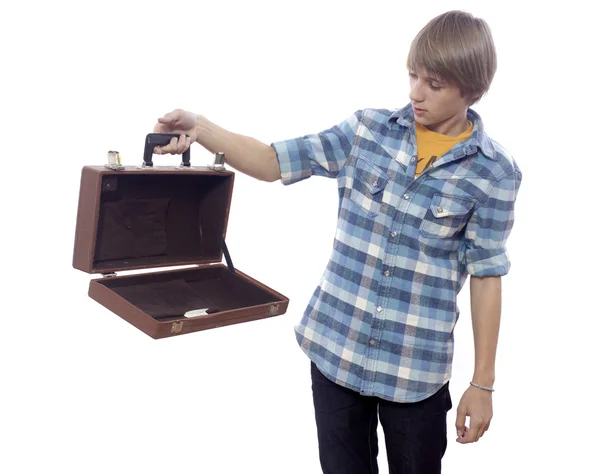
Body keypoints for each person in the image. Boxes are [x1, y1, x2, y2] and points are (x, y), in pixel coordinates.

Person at [152, 10, 522, 474]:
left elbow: (487, 273)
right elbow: (272, 161)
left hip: (416, 373)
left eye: (434, 83)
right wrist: (202, 129)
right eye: (412, 75)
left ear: (472, 88)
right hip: (335, 353)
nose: (414, 92)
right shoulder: (366, 130)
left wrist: (482, 384)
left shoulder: (495, 172)